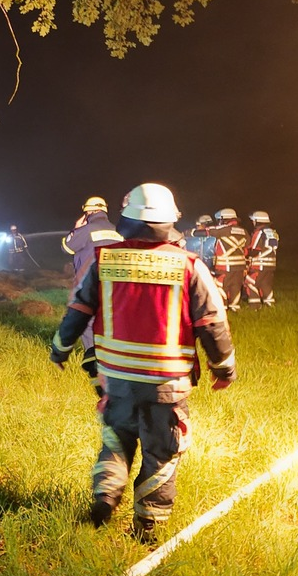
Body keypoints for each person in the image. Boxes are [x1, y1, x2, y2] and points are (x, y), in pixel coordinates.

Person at [49, 182, 237, 542]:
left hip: (116, 380)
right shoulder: (189, 266)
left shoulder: (104, 260)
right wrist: (224, 369)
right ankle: (147, 527)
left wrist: (60, 350)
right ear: (170, 222)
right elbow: (213, 324)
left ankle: (105, 495)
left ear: (127, 218)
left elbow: (77, 311)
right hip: (165, 385)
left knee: (116, 440)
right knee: (161, 453)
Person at [60, 196, 123, 397]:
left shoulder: (86, 229)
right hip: (114, 283)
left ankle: (95, 363)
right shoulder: (118, 231)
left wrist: (76, 228)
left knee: (88, 322)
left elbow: (67, 246)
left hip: (89, 283)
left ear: (88, 212)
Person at [206, 208, 249, 311]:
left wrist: (189, 232)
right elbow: (247, 246)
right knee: (236, 286)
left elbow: (205, 232)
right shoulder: (244, 231)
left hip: (224, 266)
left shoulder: (222, 230)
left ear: (223, 219)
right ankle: (234, 307)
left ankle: (222, 307)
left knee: (221, 286)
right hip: (240, 266)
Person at [243, 210, 279, 308]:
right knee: (265, 284)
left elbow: (254, 249)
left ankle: (255, 306)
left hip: (259, 264)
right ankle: (270, 304)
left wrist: (245, 255)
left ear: (257, 221)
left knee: (250, 282)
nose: (252, 223)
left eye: (253, 221)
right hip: (271, 264)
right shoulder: (273, 232)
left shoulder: (258, 232)